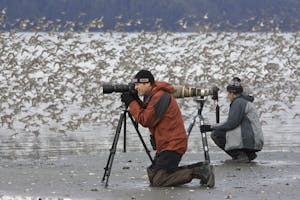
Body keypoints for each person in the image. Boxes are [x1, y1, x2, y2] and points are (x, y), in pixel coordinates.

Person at [121, 69, 215, 187]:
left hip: (173, 144)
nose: (135, 87)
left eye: (138, 84)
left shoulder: (160, 96)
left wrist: (132, 103)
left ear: (148, 83)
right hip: (166, 144)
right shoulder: (152, 95)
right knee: (153, 174)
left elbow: (146, 120)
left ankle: (201, 171)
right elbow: (147, 111)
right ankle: (198, 169)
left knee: (159, 181)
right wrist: (135, 100)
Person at [200, 77, 264, 162]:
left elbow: (231, 124)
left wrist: (211, 127)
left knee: (216, 134)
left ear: (232, 93)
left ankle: (240, 155)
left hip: (250, 141)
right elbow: (231, 122)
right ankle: (248, 154)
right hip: (254, 140)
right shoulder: (244, 101)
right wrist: (212, 126)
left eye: (228, 93)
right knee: (221, 131)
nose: (228, 96)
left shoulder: (238, 103)